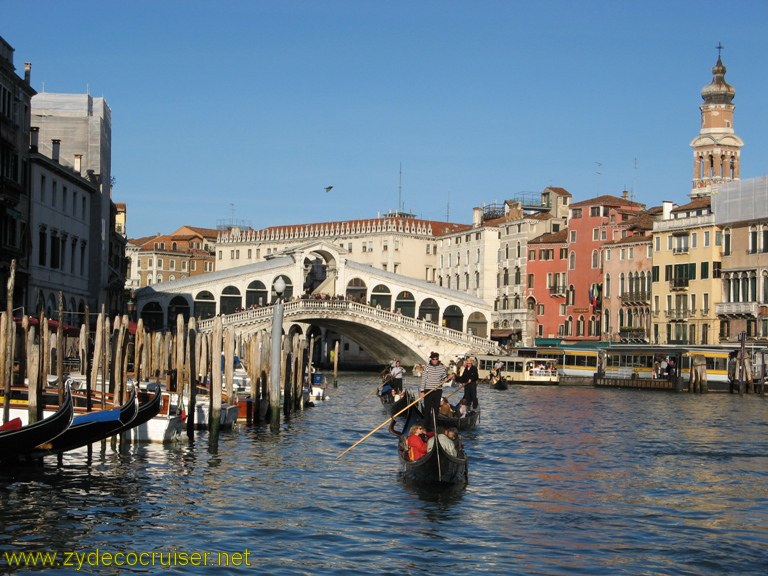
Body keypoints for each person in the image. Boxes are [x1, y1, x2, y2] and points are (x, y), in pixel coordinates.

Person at [421, 352, 452, 431]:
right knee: (427, 409)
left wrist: (449, 378)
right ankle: (425, 426)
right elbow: (423, 379)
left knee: (436, 409)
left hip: (438, 390)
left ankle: (433, 426)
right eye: (433, 359)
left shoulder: (442, 368)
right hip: (428, 390)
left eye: (436, 359)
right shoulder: (427, 367)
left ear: (438, 359)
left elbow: (444, 379)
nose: (434, 360)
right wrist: (422, 391)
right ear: (431, 359)